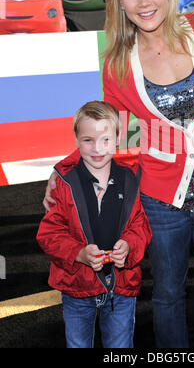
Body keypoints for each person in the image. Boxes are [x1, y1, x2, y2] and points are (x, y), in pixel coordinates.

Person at [43, 0, 194, 348]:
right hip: (158, 200)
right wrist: (64, 171)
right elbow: (118, 136)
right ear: (118, 1)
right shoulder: (117, 61)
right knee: (168, 297)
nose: (144, 2)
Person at [37, 100, 152, 348]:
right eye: (88, 140)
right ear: (76, 140)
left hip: (122, 288)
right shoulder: (65, 184)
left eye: (105, 139)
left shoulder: (129, 180)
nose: (97, 148)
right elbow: (49, 233)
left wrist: (129, 247)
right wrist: (78, 253)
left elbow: (140, 226)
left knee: (120, 347)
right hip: (76, 287)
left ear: (119, 138)